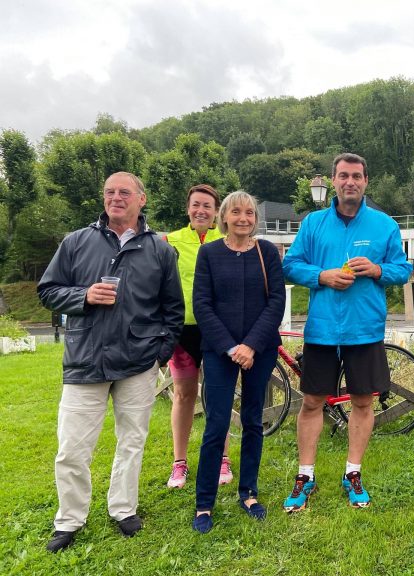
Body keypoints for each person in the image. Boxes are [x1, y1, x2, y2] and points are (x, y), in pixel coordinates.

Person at [38, 172, 184, 552]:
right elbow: (48, 291)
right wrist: (83, 295)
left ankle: (123, 508)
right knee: (72, 446)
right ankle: (69, 519)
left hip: (138, 361)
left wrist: (160, 354)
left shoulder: (160, 250)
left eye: (124, 192)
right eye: (109, 192)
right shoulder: (76, 241)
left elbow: (173, 310)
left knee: (132, 441)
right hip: (85, 359)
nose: (115, 198)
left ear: (142, 199)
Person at [281, 153, 412, 511]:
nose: (349, 181)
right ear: (334, 180)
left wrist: (377, 269)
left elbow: (403, 270)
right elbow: (290, 265)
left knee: (363, 401)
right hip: (322, 328)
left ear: (366, 181)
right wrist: (320, 276)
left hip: (364, 329)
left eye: (356, 176)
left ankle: (352, 472)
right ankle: (305, 475)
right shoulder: (313, 223)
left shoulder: (383, 225)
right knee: (311, 402)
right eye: (343, 176)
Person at [191, 191, 286, 533]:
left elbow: (276, 302)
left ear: (255, 219)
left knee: (252, 422)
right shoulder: (209, 253)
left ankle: (248, 492)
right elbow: (202, 305)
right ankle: (204, 502)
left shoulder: (268, 254)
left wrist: (250, 345)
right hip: (220, 351)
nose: (243, 218)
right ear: (224, 217)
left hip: (260, 349)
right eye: (236, 212)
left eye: (249, 213)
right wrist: (232, 347)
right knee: (216, 424)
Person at [164, 184, 234, 489]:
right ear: (188, 208)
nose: (201, 211)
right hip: (183, 330)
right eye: (196, 205)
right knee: (183, 395)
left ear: (216, 211)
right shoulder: (170, 241)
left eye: (207, 206)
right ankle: (179, 463)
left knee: (220, 395)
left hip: (218, 330)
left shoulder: (228, 240)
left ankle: (222, 458)